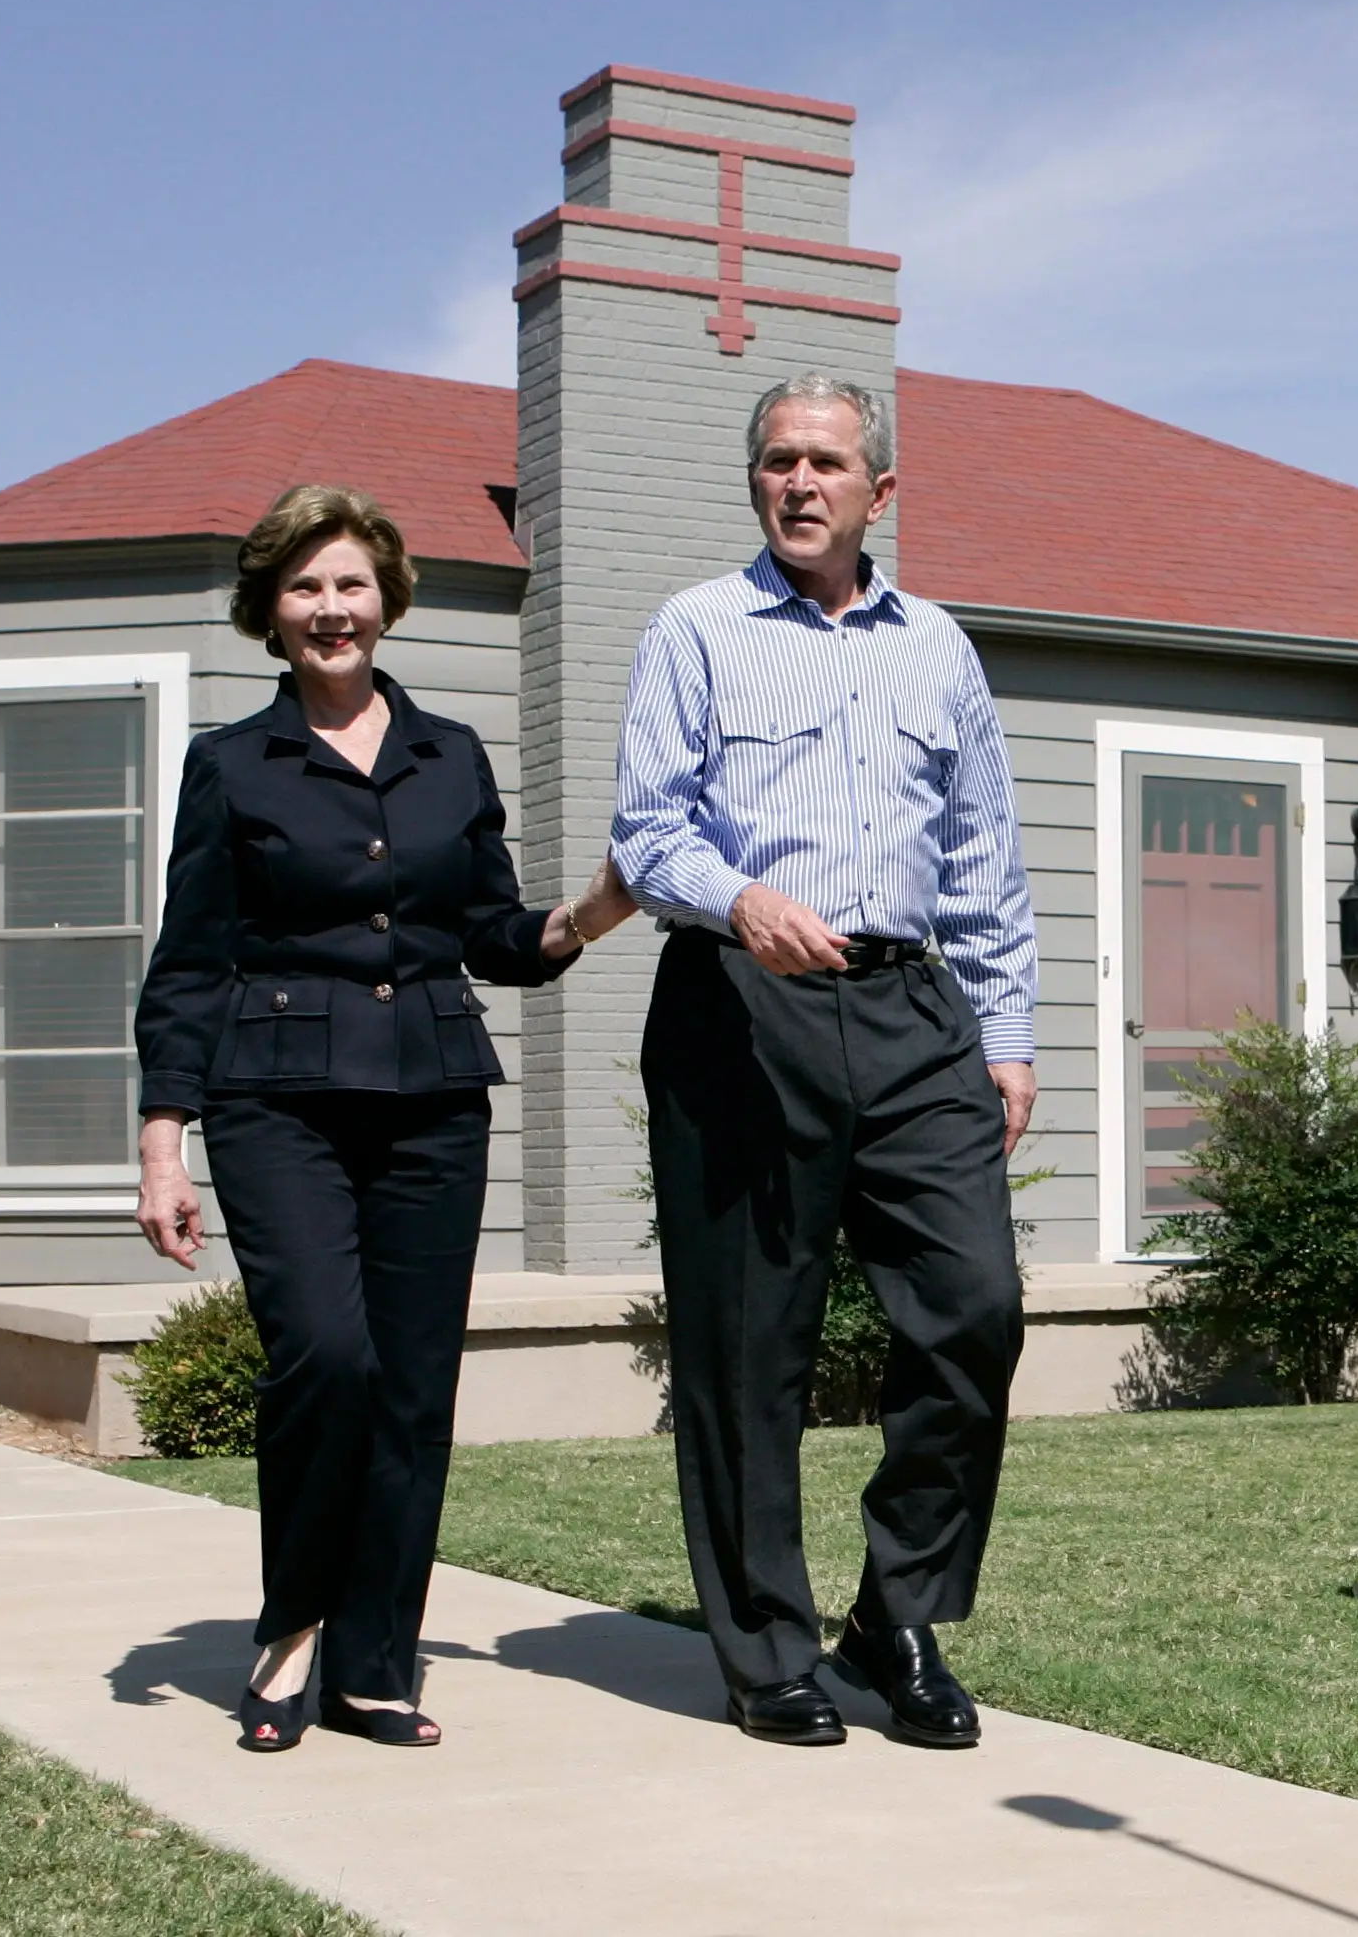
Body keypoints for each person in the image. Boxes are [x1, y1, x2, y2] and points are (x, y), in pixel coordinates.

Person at [133, 484, 636, 1753]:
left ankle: (372, 1665)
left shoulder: (450, 754)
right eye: (304, 586)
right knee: (328, 1358)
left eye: (349, 583)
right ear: (271, 610)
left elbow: (487, 933)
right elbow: (190, 960)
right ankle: (290, 1627)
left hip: (431, 1101)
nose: (330, 608)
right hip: (275, 1100)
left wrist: (585, 915)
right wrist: (162, 1138)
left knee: (411, 1389)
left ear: (386, 598)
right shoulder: (232, 762)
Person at [612, 371, 1039, 1749]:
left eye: (828, 462)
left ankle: (893, 1612)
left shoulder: (940, 651)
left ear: (880, 491)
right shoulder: (698, 629)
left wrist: (1008, 1038)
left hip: (916, 1010)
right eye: (780, 461)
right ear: (757, 482)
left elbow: (983, 862)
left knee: (975, 1307)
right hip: (740, 1004)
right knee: (751, 1349)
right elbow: (646, 831)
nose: (801, 482)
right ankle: (766, 1647)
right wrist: (740, 899)